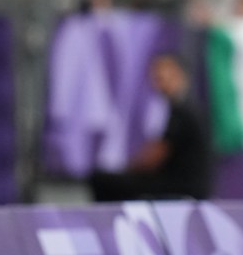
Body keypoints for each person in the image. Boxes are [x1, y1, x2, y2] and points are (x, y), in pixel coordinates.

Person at [87, 53, 214, 202]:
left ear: (181, 76)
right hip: (184, 181)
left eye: (165, 77)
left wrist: (128, 169)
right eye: (156, 78)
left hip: (182, 185)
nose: (159, 83)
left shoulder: (182, 112)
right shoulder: (185, 108)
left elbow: (155, 157)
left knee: (102, 180)